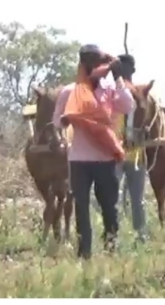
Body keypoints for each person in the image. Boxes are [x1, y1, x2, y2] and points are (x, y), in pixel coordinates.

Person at [54, 45, 134, 260]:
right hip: (79, 160)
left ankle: (111, 250)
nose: (95, 67)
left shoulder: (109, 89)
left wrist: (119, 79)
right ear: (83, 65)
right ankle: (85, 255)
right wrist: (72, 117)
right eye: (90, 62)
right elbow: (57, 121)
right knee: (81, 208)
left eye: (98, 63)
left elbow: (128, 106)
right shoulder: (71, 92)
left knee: (110, 207)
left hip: (106, 159)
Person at [114, 53, 147, 242]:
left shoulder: (141, 93)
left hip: (136, 155)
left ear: (133, 71)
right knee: (114, 198)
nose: (122, 72)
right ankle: (115, 236)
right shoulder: (113, 92)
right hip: (116, 153)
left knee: (137, 199)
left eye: (124, 68)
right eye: (119, 68)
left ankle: (141, 237)